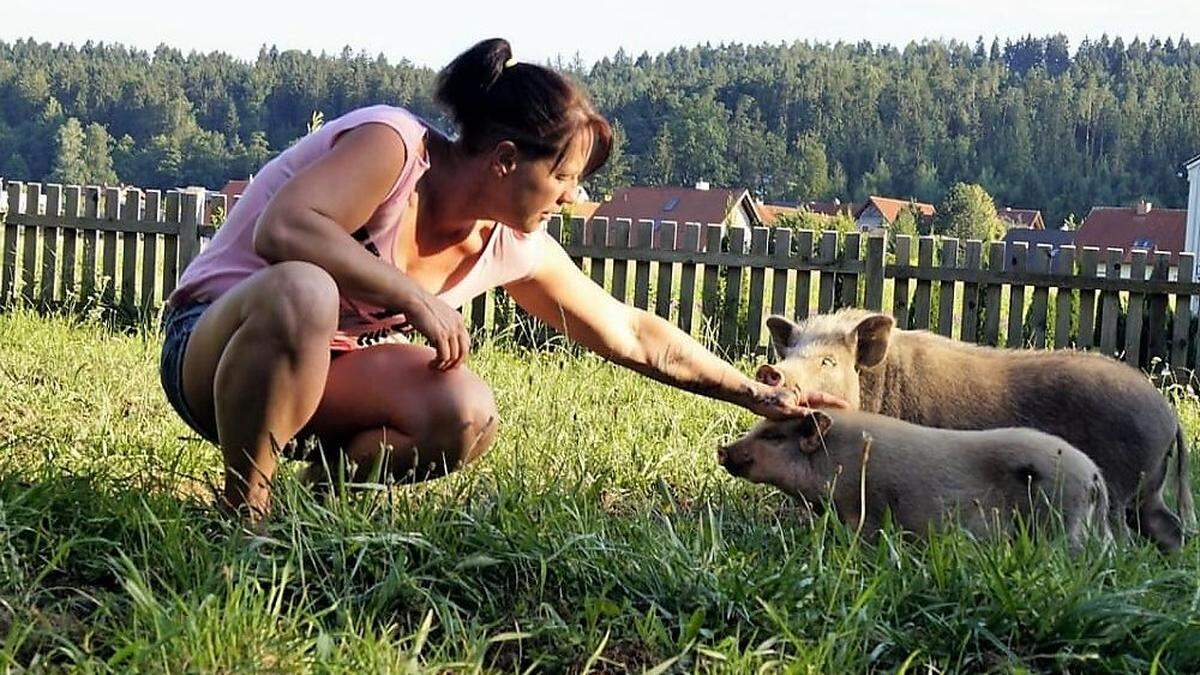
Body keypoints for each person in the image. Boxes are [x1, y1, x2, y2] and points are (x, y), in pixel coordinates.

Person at [158, 38, 846, 519]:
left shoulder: (510, 242)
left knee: (466, 412)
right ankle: (244, 509)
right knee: (304, 290)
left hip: (316, 378)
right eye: (565, 178)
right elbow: (287, 228)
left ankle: (309, 502)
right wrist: (413, 296)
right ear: (507, 159)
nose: (571, 198)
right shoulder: (392, 147)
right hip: (213, 349)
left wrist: (759, 396)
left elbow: (634, 334)